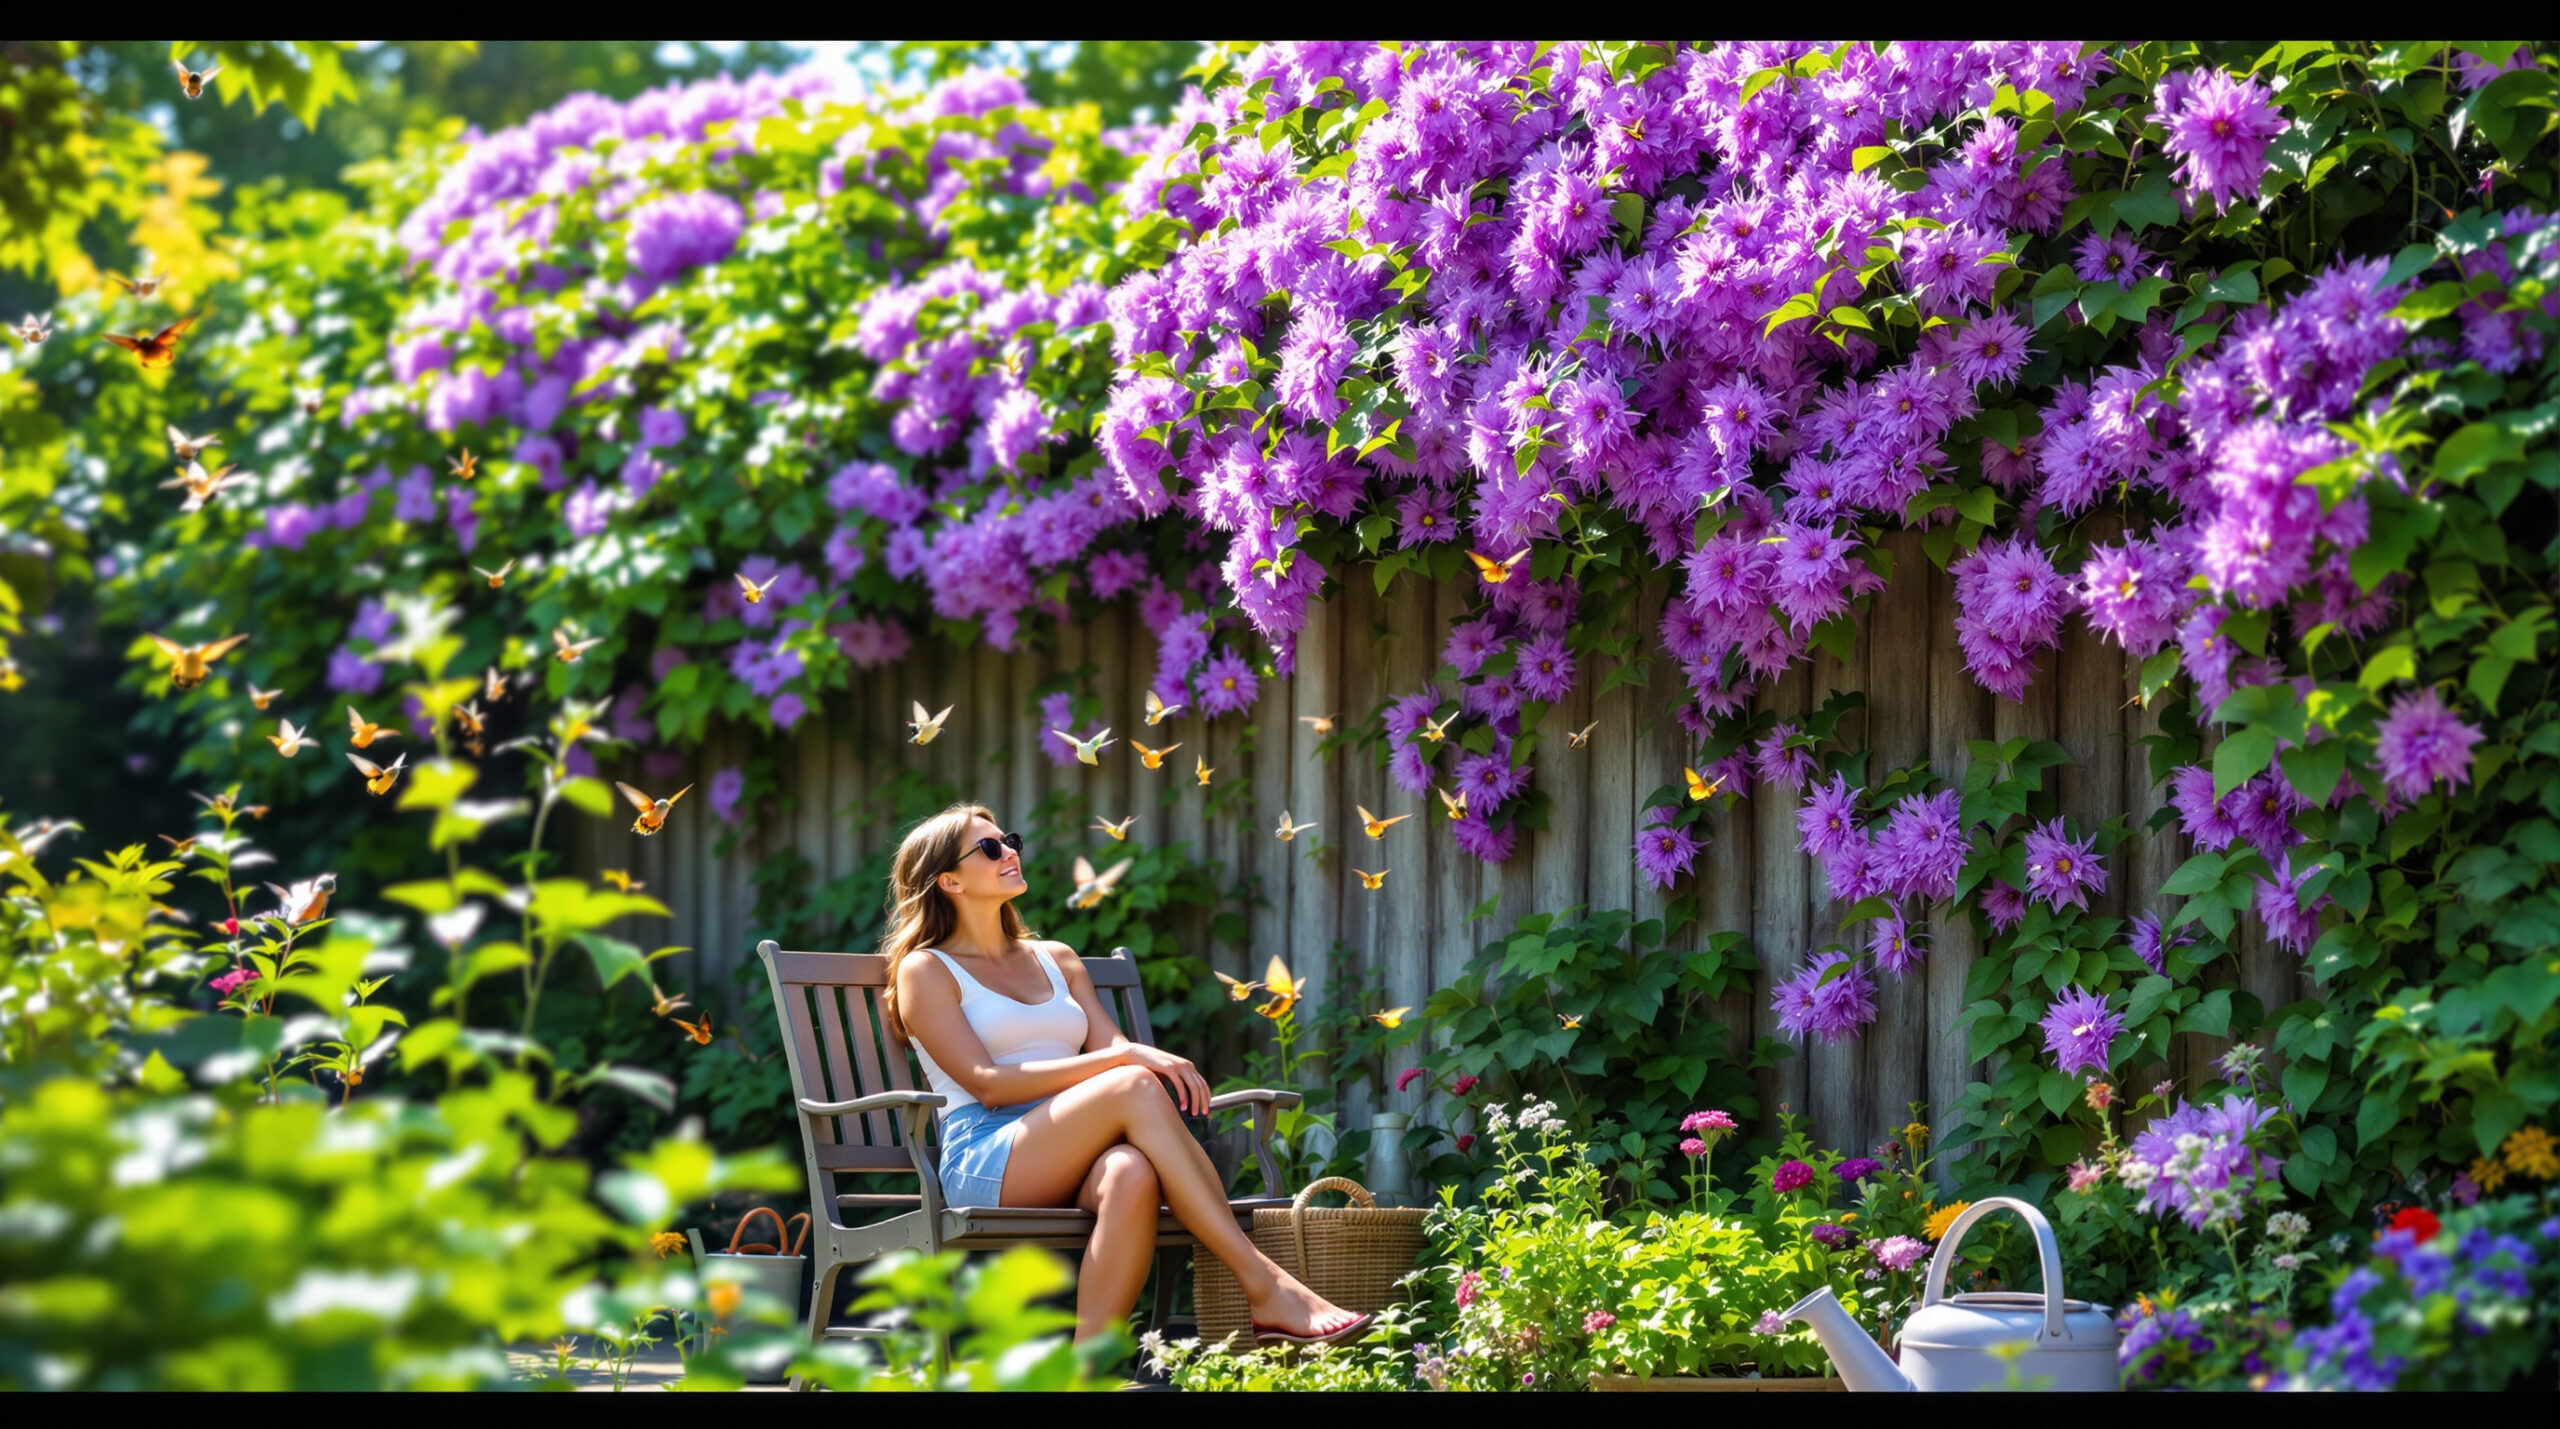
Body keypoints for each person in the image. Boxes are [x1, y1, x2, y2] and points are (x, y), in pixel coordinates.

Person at [881, 801, 1373, 1349]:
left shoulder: (1057, 958)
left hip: (1074, 1145)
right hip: (986, 1153)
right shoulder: (926, 968)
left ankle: (1083, 1374)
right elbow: (987, 1082)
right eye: (990, 848)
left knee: (1130, 1171)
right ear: (949, 880)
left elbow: (1113, 1048)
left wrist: (1123, 1059)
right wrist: (1127, 1060)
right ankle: (1267, 1286)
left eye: (1011, 839)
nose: (1011, 852)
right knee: (1133, 1081)